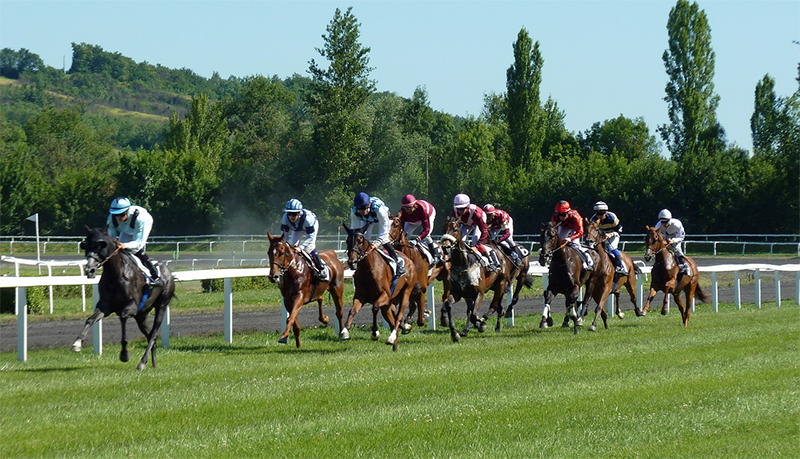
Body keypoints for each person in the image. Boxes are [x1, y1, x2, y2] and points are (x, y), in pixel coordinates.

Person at [105, 197, 162, 286]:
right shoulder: (111, 219)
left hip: (142, 225)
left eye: (121, 214)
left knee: (136, 249)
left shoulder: (141, 218)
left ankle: (154, 274)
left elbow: (138, 243)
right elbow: (111, 238)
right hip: (127, 229)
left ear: (127, 211)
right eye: (116, 214)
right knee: (119, 250)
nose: (118, 217)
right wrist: (115, 242)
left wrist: (125, 245)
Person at [351, 192, 405, 276]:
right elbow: (355, 229)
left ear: (368, 206)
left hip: (380, 218)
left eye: (363, 208)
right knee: (364, 238)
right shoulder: (354, 211)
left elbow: (384, 229)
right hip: (367, 219)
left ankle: (398, 261)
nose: (361, 211)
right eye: (359, 208)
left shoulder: (379, 210)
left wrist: (377, 243)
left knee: (384, 240)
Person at [280, 198, 329, 282]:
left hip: (311, 226)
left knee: (309, 247)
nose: (291, 217)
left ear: (299, 213)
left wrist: (301, 247)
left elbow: (310, 238)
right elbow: (284, 237)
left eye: (294, 214)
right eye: (289, 214)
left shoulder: (308, 219)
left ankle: (321, 267)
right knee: (292, 246)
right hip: (297, 229)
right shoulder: (285, 219)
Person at [449, 193, 500, 271]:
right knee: (461, 240)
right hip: (466, 224)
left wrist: (476, 246)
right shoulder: (454, 212)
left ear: (468, 206)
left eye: (462, 209)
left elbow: (484, 232)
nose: (460, 211)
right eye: (458, 208)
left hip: (477, 224)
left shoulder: (477, 214)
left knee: (475, 240)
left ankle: (490, 260)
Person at [398, 194, 443, 265]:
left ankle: (435, 254)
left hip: (428, 214)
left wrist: (417, 239)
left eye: (409, 208)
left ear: (414, 205)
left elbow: (426, 229)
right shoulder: (403, 211)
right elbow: (402, 227)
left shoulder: (423, 210)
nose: (407, 210)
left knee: (427, 236)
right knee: (405, 235)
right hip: (413, 219)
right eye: (405, 208)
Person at [550, 200, 593, 270]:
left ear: (568, 212)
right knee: (558, 243)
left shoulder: (576, 217)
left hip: (574, 228)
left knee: (575, 244)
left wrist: (570, 238)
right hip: (563, 227)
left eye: (563, 214)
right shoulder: (555, 217)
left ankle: (587, 261)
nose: (561, 217)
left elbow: (580, 232)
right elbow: (553, 230)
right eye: (559, 214)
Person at [589, 201, 628, 275]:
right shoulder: (593, 220)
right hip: (602, 236)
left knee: (611, 247)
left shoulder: (612, 218)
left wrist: (611, 234)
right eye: (597, 213)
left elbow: (620, 229)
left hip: (614, 235)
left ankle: (621, 266)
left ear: (606, 212)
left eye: (602, 213)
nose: (600, 216)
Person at [654, 208, 690, 275]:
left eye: (666, 222)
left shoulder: (677, 224)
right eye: (662, 222)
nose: (664, 224)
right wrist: (663, 241)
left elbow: (681, 236)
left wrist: (673, 241)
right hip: (665, 237)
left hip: (676, 237)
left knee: (677, 249)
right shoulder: (658, 225)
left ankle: (684, 265)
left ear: (669, 220)